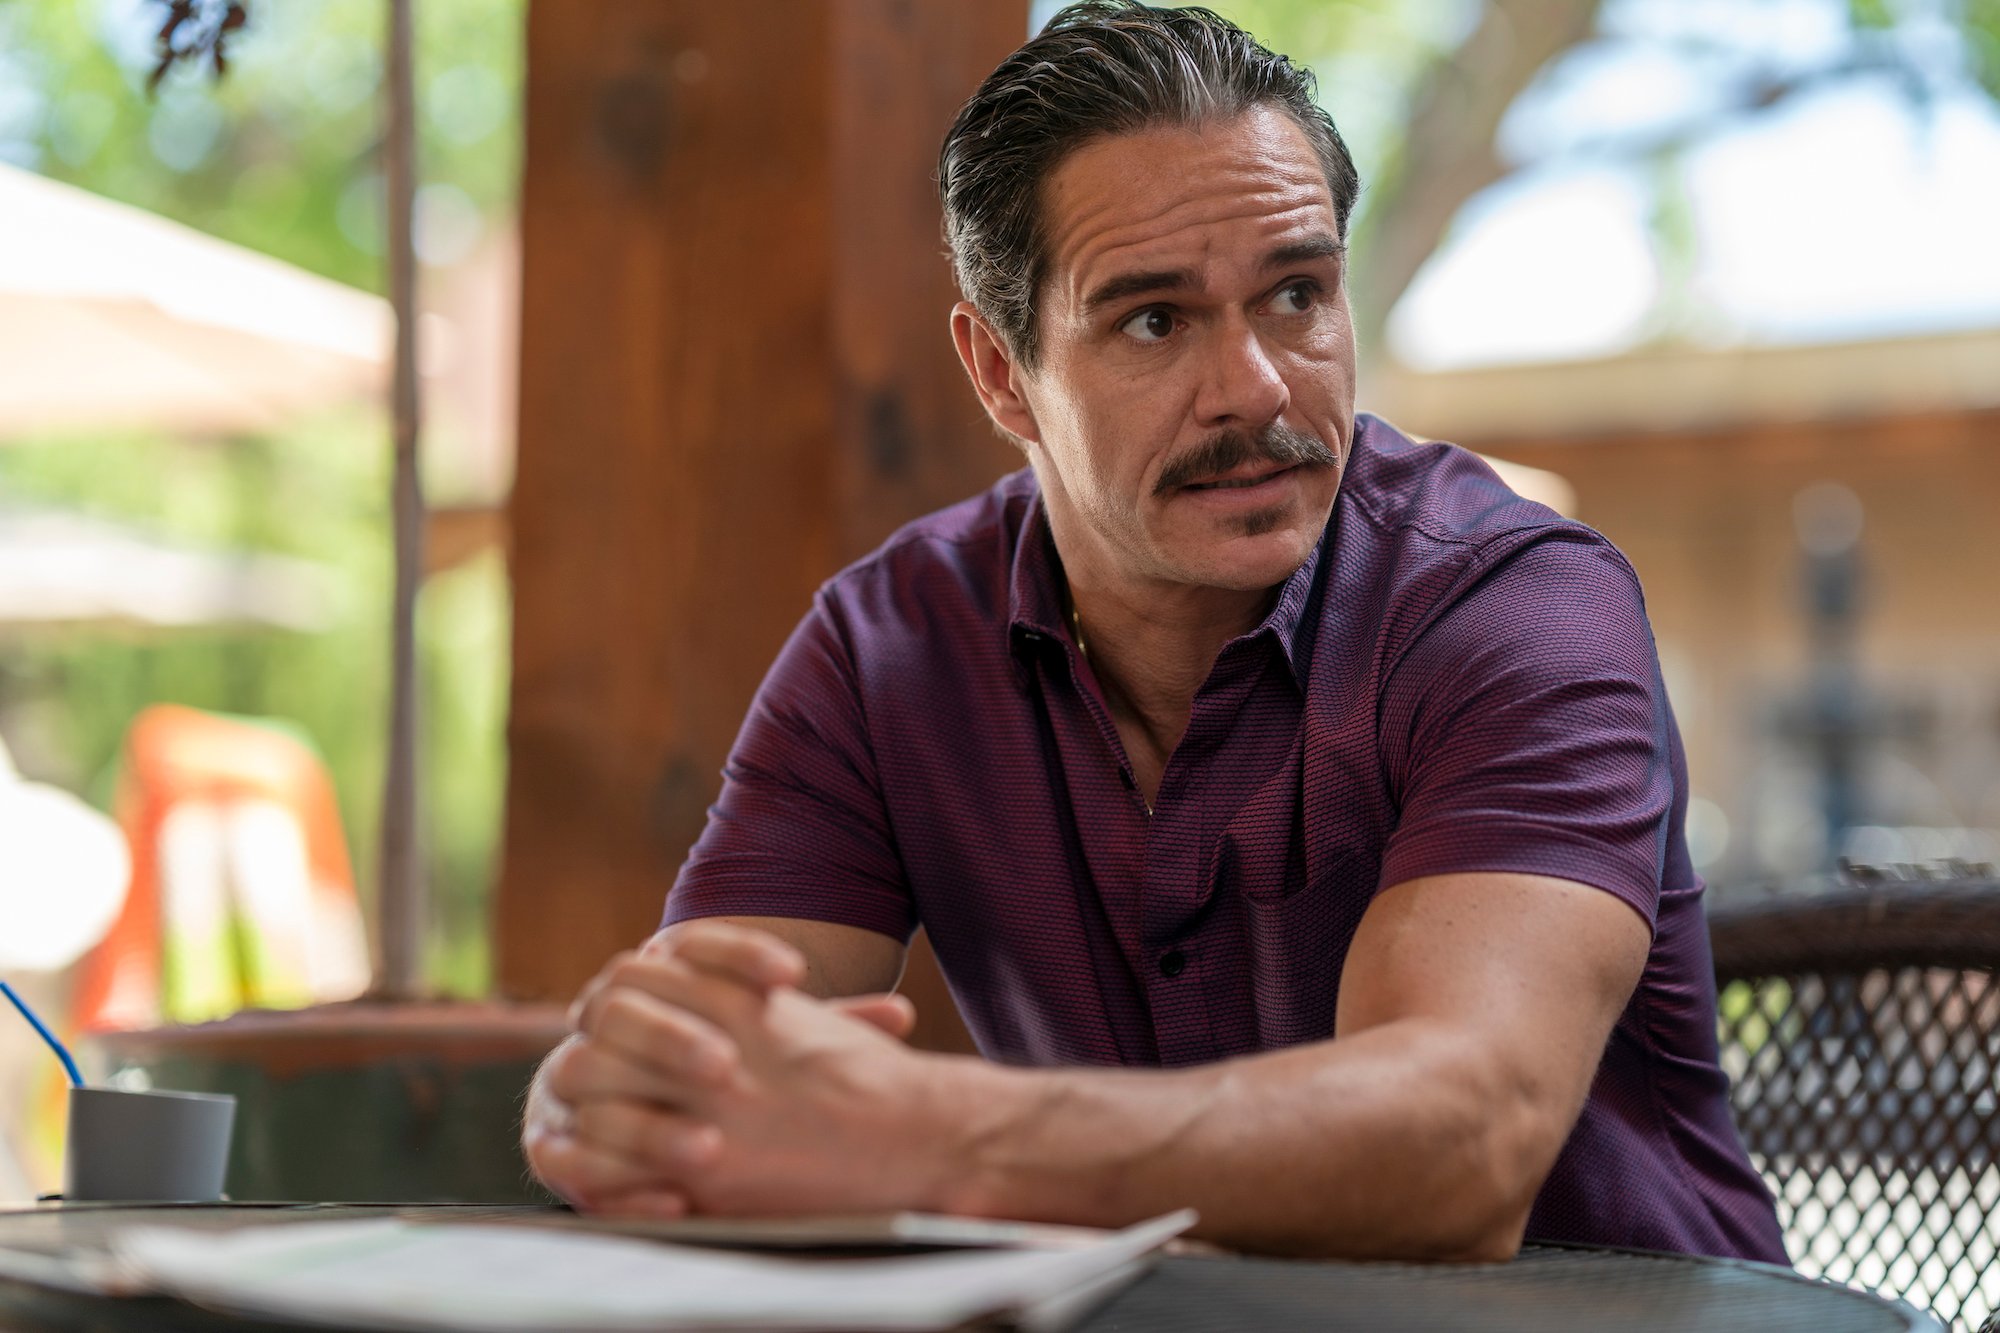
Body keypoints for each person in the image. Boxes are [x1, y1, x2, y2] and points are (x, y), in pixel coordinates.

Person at [523, 0, 1788, 1264]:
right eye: (1152, 320)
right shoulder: (886, 646)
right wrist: (614, 1095)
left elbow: (1461, 1148)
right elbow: (683, 1073)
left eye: (1296, 294)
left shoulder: (1513, 604)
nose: (1253, 388)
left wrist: (922, 1134)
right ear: (1000, 374)